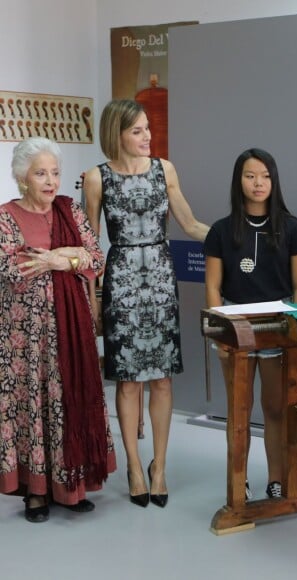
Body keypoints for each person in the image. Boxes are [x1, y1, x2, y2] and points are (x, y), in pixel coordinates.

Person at [83, 99, 209, 508]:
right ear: (116, 133)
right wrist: (93, 300)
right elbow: (89, 246)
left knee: (162, 378)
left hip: (159, 278)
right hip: (120, 281)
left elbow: (189, 223)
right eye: (137, 130)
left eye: (148, 129)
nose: (147, 137)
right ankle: (135, 467)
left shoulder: (164, 169)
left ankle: (160, 467)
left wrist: (237, 239)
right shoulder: (95, 178)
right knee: (128, 380)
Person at [0, 137, 116, 523]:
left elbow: (95, 256)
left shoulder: (70, 209)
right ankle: (35, 494)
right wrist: (69, 257)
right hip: (26, 340)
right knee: (34, 410)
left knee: (68, 403)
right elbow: (17, 267)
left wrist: (53, 258)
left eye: (54, 172)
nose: (50, 181)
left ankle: (71, 488)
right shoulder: (5, 217)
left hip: (72, 333)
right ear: (22, 177)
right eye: (40, 173)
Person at [204, 148, 297, 499]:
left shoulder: (293, 228)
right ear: (239, 181)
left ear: (274, 180)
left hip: (279, 326)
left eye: (265, 176)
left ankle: (277, 481)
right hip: (235, 327)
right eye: (250, 176)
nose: (258, 183)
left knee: (276, 409)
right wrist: (219, 333)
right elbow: (214, 287)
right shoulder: (221, 230)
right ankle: (239, 481)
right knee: (240, 410)